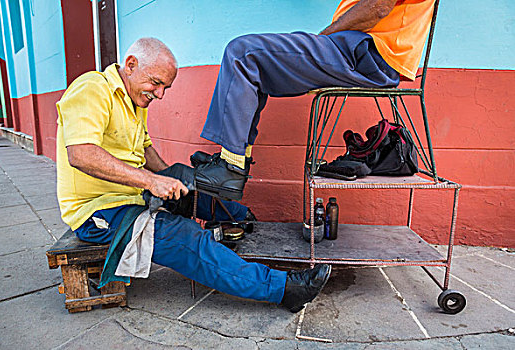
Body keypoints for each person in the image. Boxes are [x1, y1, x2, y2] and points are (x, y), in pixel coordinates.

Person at [56, 37, 331, 313]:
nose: (160, 94)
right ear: (131, 65)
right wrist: (152, 181)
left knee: (217, 203)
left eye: (165, 87)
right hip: (98, 211)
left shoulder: (134, 100)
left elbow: (145, 148)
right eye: (156, 83)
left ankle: (245, 247)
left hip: (131, 193)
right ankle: (283, 289)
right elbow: (81, 154)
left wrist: (172, 178)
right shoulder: (91, 89)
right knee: (185, 236)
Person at [194, 0, 436, 200]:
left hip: (369, 52)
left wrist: (324, 38)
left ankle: (231, 168)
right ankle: (235, 160)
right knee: (260, 66)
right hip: (364, 51)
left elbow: (378, 6)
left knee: (242, 53)